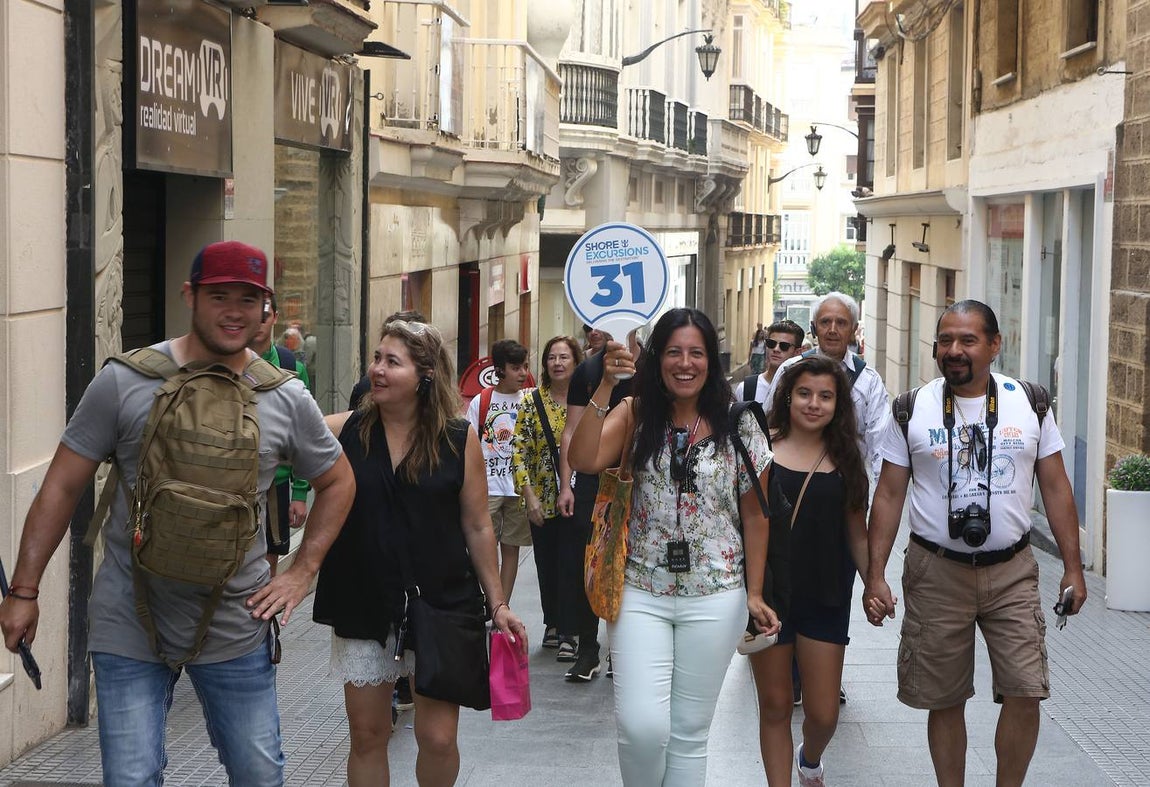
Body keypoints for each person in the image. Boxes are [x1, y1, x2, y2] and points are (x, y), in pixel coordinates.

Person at [0, 241, 356, 785]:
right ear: (190, 294)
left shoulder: (285, 397)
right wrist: (24, 591)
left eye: (248, 298)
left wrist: (304, 572)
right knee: (132, 778)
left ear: (266, 308)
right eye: (219, 296)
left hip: (237, 622)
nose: (234, 311)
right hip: (130, 618)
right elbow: (61, 486)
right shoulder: (125, 380)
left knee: (258, 774)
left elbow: (338, 480)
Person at [864, 300, 1086, 787]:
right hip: (935, 570)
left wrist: (1074, 567)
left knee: (1026, 689)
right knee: (944, 696)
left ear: (994, 345)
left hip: (1012, 570)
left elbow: (1055, 487)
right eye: (945, 340)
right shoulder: (910, 408)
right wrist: (875, 574)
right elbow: (888, 494)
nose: (954, 350)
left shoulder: (1029, 401)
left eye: (967, 340)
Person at [569, 307, 779, 786]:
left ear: (712, 360)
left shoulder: (741, 424)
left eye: (696, 353)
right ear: (657, 359)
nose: (685, 364)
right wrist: (604, 386)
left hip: (717, 593)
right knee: (641, 727)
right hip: (640, 589)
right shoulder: (635, 413)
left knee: (688, 734)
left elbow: (755, 513)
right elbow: (582, 458)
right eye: (673, 353)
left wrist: (754, 592)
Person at [313, 318, 527, 787]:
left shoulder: (457, 439)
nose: (378, 371)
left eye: (393, 362)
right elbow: (283, 435)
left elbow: (476, 524)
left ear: (425, 375)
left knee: (436, 738)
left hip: (442, 602)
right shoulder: (345, 431)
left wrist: (499, 603)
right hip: (365, 599)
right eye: (376, 359)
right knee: (368, 734)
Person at [747, 356, 870, 786]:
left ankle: (810, 758)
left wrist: (875, 581)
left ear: (838, 404)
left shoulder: (847, 458)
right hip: (770, 595)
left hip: (826, 593)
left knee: (822, 713)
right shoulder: (760, 448)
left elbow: (857, 530)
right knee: (776, 705)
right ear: (787, 396)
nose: (813, 404)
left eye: (825, 396)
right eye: (804, 393)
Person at [556, 326, 645, 676]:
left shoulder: (654, 365)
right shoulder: (588, 370)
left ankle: (619, 649)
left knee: (629, 563)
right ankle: (588, 648)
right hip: (594, 479)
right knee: (590, 560)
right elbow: (571, 430)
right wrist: (568, 484)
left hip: (641, 482)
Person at [510, 335, 584, 659]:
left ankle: (570, 628)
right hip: (542, 496)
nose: (557, 363)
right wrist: (529, 496)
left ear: (576, 363)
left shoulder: (586, 403)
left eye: (564, 357)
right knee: (547, 563)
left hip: (578, 497)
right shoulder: (530, 402)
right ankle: (553, 621)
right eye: (552, 357)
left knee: (571, 562)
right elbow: (518, 452)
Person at [765, 293, 890, 482]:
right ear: (814, 327)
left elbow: (880, 447)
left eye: (841, 323)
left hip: (847, 488)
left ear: (854, 329)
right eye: (825, 322)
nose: (832, 330)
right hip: (788, 481)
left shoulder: (869, 382)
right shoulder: (789, 370)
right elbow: (768, 427)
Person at [250, 292, 313, 576]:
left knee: (269, 561)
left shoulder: (292, 367)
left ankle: (264, 620)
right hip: (235, 481)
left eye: (266, 315)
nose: (260, 322)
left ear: (274, 317)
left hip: (276, 483)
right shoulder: (229, 362)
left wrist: (299, 492)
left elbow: (302, 434)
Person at [466, 339, 531, 604]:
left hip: (518, 488)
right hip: (487, 487)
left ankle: (501, 607)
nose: (523, 373)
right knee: (483, 548)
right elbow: (468, 446)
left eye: (525, 366)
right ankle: (488, 599)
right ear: (500, 370)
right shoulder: (481, 402)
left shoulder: (529, 399)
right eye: (516, 368)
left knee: (511, 547)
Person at [735, 319, 805, 403]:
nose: (776, 349)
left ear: (797, 352)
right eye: (771, 343)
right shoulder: (745, 389)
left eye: (784, 346)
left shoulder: (804, 391)